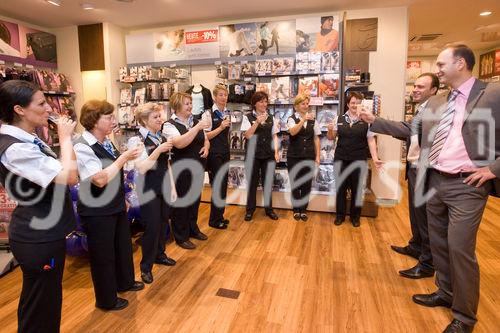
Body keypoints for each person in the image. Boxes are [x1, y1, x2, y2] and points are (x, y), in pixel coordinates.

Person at [409, 45, 500, 333]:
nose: (437, 69)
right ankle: (445, 293)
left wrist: (493, 169)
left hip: (467, 185)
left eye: (440, 63)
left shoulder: (493, 94)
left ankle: (464, 317)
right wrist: (376, 123)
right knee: (439, 244)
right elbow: (412, 131)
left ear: (460, 64)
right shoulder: (438, 102)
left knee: (460, 248)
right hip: (436, 180)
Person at [0, 80, 77, 333]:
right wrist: (65, 139)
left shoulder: (28, 139)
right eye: (41, 103)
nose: (48, 108)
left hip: (45, 231)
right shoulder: (15, 148)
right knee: (40, 305)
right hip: (37, 236)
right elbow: (69, 176)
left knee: (45, 301)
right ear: (19, 110)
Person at [359, 73, 439, 279]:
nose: (416, 89)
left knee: (424, 216)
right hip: (414, 169)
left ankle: (428, 264)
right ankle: (416, 246)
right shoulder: (423, 109)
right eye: (416, 86)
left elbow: (407, 129)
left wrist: (375, 120)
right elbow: (408, 132)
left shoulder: (434, 110)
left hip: (425, 171)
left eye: (422, 86)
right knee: (415, 212)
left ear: (434, 90)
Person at [73, 100, 145, 311]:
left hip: (113, 204)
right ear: (94, 120)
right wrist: (123, 158)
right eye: (109, 117)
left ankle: (125, 282)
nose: (114, 120)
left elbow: (115, 177)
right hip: (96, 210)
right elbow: (100, 179)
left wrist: (121, 197)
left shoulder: (105, 141)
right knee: (103, 255)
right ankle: (106, 299)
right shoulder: (82, 145)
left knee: (122, 246)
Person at [132, 103, 176, 285]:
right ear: (144, 120)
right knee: (151, 228)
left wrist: (173, 187)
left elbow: (167, 165)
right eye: (156, 117)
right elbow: (142, 167)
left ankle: (160, 255)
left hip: (164, 186)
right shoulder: (137, 141)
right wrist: (158, 150)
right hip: (148, 189)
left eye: (160, 116)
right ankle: (145, 267)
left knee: (163, 222)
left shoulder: (161, 136)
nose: (161, 119)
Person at [162, 92, 210, 250]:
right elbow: (180, 143)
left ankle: (193, 229)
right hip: (180, 170)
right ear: (176, 106)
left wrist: (206, 147)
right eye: (187, 103)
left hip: (197, 167)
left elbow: (206, 139)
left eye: (190, 103)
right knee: (181, 204)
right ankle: (181, 236)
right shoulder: (169, 125)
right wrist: (197, 127)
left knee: (195, 201)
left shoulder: (195, 121)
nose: (190, 106)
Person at [327, 92, 383, 227]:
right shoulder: (339, 118)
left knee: (357, 190)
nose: (355, 105)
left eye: (358, 102)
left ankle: (355, 217)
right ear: (347, 104)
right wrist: (330, 130)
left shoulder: (366, 121)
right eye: (353, 102)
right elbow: (331, 137)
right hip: (340, 159)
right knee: (341, 189)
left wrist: (375, 158)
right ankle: (340, 215)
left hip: (358, 160)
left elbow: (371, 140)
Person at [240, 91, 280, 222]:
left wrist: (276, 152)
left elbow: (274, 136)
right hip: (252, 155)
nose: (264, 104)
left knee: (267, 183)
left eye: (266, 101)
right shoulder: (247, 117)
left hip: (268, 154)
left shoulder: (271, 118)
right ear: (255, 103)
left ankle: (269, 210)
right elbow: (247, 135)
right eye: (261, 101)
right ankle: (250, 210)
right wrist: (257, 122)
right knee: (252, 184)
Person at [286, 93, 321, 221]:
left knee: (306, 184)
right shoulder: (291, 119)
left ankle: (303, 209)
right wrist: (303, 120)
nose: (306, 106)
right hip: (294, 156)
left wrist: (318, 156)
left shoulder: (314, 120)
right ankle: (296, 209)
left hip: (309, 156)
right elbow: (292, 132)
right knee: (295, 184)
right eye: (303, 103)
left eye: (307, 104)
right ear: (296, 106)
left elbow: (316, 138)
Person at [201, 85, 231, 229]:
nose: (223, 97)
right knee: (218, 186)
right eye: (220, 95)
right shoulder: (208, 114)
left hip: (225, 152)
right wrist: (220, 127)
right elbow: (205, 135)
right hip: (214, 154)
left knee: (223, 185)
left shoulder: (226, 112)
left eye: (225, 95)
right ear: (214, 97)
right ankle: (214, 220)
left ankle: (220, 216)